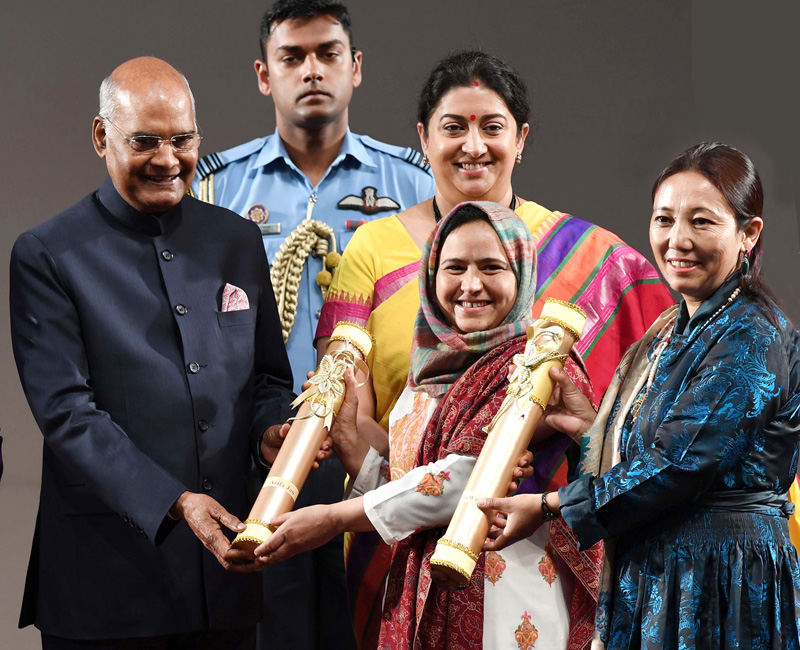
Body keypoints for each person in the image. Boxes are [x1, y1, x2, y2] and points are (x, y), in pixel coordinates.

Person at [315, 49, 674, 648]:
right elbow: (375, 421)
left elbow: (668, 399)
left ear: (522, 138)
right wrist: (353, 449)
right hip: (405, 550)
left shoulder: (596, 261)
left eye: (493, 126)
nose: (473, 145)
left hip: (541, 560)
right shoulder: (374, 249)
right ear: (423, 138)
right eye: (454, 127)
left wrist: (586, 436)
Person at [9, 57, 297, 649]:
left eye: (182, 139)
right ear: (101, 136)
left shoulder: (236, 240)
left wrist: (270, 431)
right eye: (145, 141)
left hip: (227, 582)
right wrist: (177, 502)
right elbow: (67, 413)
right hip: (105, 587)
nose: (168, 160)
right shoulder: (47, 254)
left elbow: (268, 377)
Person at [479, 143, 800, 649]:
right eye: (664, 219)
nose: (678, 240)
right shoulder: (671, 332)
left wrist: (549, 505)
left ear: (748, 234)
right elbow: (660, 452)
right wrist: (591, 426)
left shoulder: (751, 335)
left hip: (723, 578)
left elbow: (681, 463)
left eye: (702, 222)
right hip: (657, 573)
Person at [191, 3, 433, 647]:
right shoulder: (214, 190)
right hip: (259, 453)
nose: (312, 71)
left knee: (379, 627)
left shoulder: (417, 183)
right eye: (291, 57)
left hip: (379, 452)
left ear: (355, 68)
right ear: (264, 75)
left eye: (328, 54)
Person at [256, 201, 596, 649]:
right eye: (454, 267)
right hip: (421, 596)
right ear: (431, 275)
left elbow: (466, 482)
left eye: (491, 267)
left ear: (522, 274)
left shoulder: (541, 365)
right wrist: (346, 437)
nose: (470, 285)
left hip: (511, 600)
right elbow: (404, 485)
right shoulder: (427, 372)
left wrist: (335, 519)